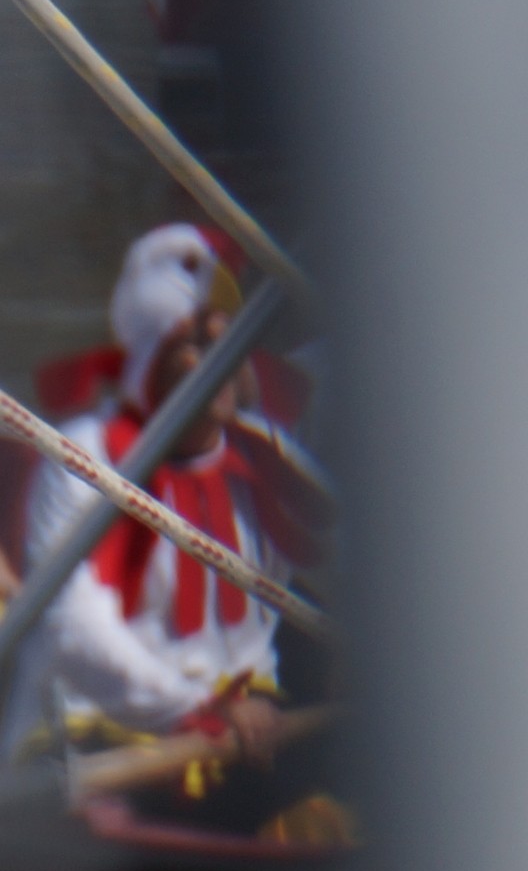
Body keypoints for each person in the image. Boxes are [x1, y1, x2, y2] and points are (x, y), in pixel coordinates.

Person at [6, 225, 322, 780]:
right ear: (154, 358)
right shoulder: (88, 460)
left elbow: (341, 562)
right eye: (201, 347)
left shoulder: (266, 455)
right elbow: (78, 628)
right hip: (113, 740)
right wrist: (197, 710)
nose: (226, 363)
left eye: (234, 343)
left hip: (253, 727)